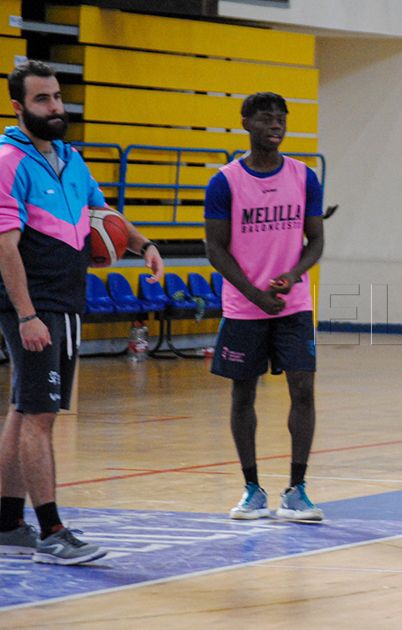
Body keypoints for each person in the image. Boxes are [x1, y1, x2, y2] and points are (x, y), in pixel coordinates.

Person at [0, 60, 164, 565]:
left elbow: (104, 214)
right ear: (18, 106)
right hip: (34, 305)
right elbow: (6, 246)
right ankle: (51, 530)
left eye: (56, 97)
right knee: (41, 417)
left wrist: (144, 245)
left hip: (67, 301)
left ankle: (6, 522)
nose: (55, 107)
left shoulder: (71, 158)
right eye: (43, 100)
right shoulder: (8, 159)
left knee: (25, 410)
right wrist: (26, 315)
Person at [204, 92, 325, 522]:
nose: (275, 124)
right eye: (266, 118)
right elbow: (215, 249)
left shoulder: (304, 177)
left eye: (281, 119)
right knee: (243, 393)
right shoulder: (225, 182)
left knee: (304, 390)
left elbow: (316, 241)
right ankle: (251, 489)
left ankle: (297, 489)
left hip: (292, 305)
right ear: (246, 123)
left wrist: (292, 276)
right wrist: (255, 295)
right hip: (244, 307)